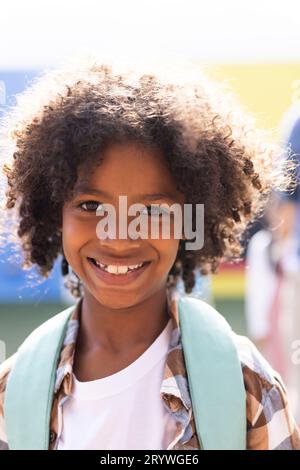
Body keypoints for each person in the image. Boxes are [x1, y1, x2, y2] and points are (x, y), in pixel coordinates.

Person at [0, 59, 299, 450]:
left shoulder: (243, 384)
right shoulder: (15, 395)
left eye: (154, 211)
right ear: (53, 212)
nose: (121, 236)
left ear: (192, 218)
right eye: (92, 206)